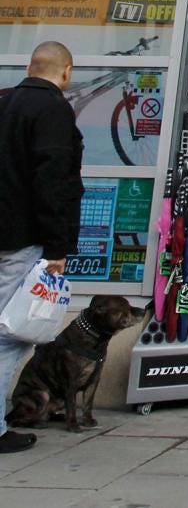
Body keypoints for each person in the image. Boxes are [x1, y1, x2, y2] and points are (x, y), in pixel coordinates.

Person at [0, 41, 84, 454]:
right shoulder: (52, 110)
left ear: (29, 66)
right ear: (65, 71)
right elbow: (53, 182)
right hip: (22, 239)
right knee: (9, 335)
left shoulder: (5, 101)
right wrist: (58, 246)